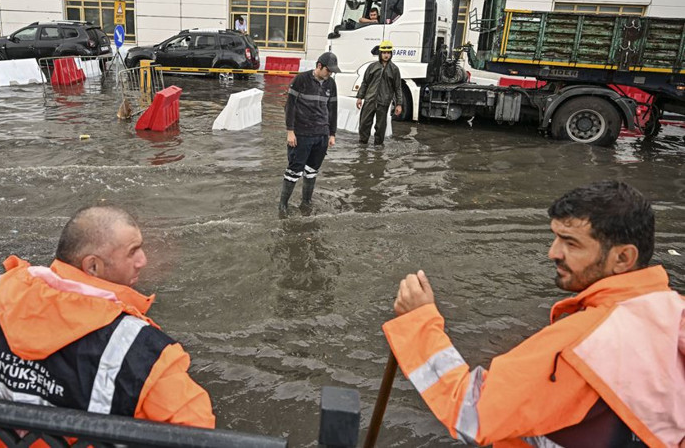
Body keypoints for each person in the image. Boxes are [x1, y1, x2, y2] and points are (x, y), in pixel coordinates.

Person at [0, 205, 216, 434]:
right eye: (133, 251)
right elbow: (195, 433)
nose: (143, 261)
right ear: (92, 266)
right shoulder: (144, 353)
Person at [384, 181, 684, 447]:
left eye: (571, 243)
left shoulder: (581, 344)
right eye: (556, 237)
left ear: (622, 258)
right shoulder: (672, 312)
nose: (552, 252)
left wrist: (418, 322)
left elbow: (471, 413)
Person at [280, 51, 339, 215]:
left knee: (312, 170)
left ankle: (306, 202)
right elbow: (290, 106)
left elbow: (332, 109)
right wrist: (290, 132)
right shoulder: (301, 80)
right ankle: (283, 206)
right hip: (301, 134)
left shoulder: (331, 84)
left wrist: (332, 134)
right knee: (294, 170)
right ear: (319, 66)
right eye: (329, 70)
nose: (330, 74)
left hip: (321, 135)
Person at [356, 40, 402, 145]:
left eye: (388, 53)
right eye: (384, 53)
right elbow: (365, 83)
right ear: (380, 53)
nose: (386, 55)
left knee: (380, 127)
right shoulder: (372, 67)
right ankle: (362, 145)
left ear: (391, 54)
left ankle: (378, 148)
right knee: (364, 124)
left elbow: (397, 88)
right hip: (369, 100)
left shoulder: (394, 69)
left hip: (383, 102)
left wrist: (399, 104)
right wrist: (360, 97)